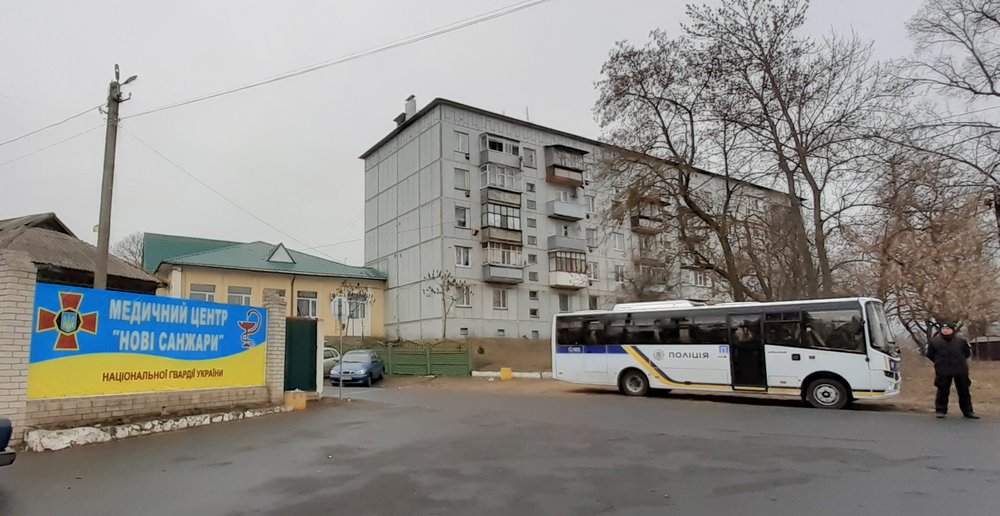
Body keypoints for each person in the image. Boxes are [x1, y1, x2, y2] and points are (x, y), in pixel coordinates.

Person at [926, 323, 978, 419]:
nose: (945, 330)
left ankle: (968, 411)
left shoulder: (961, 341)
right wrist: (938, 361)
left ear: (953, 330)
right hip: (943, 370)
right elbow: (930, 354)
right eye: (943, 328)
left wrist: (960, 361)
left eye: (948, 329)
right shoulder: (935, 342)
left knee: (964, 391)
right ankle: (941, 411)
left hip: (960, 369)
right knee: (942, 391)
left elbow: (967, 353)